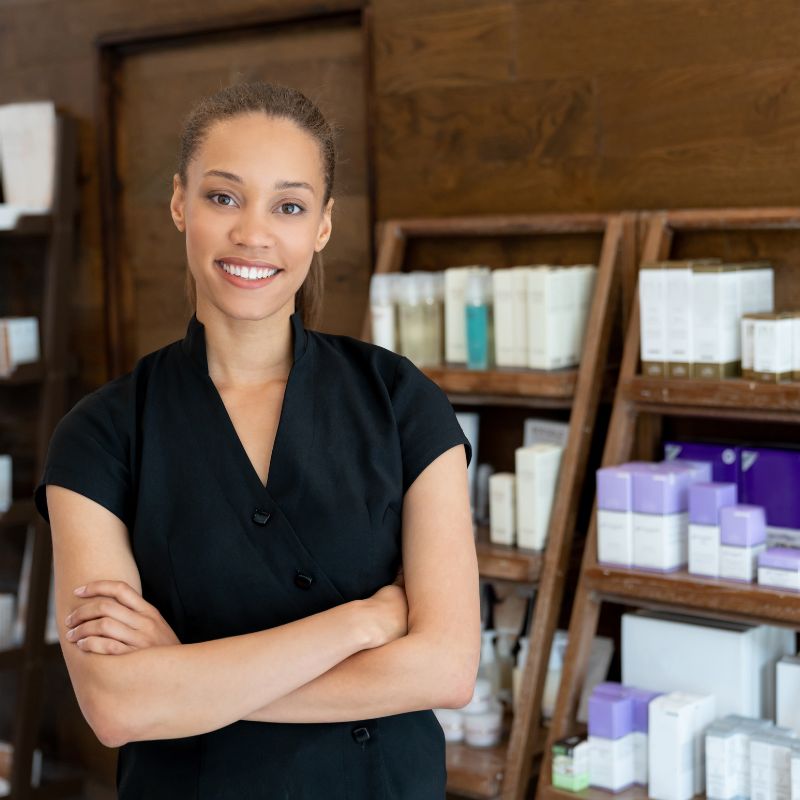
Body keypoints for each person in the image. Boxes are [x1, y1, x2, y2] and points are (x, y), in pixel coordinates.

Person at [33, 81, 480, 798]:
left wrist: (185, 678)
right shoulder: (99, 435)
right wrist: (363, 623)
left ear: (322, 226)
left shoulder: (400, 403)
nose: (253, 233)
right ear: (180, 203)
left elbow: (448, 669)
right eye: (223, 197)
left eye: (290, 206)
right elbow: (117, 707)